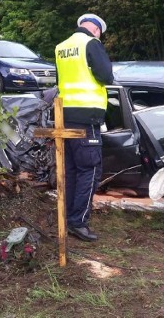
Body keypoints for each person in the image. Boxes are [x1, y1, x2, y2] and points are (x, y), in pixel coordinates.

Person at [55, 13, 114, 242]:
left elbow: (60, 81)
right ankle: (78, 223)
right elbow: (106, 76)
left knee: (71, 171)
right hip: (87, 118)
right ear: (97, 30)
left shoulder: (62, 47)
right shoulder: (91, 44)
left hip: (65, 117)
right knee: (89, 172)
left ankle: (69, 216)